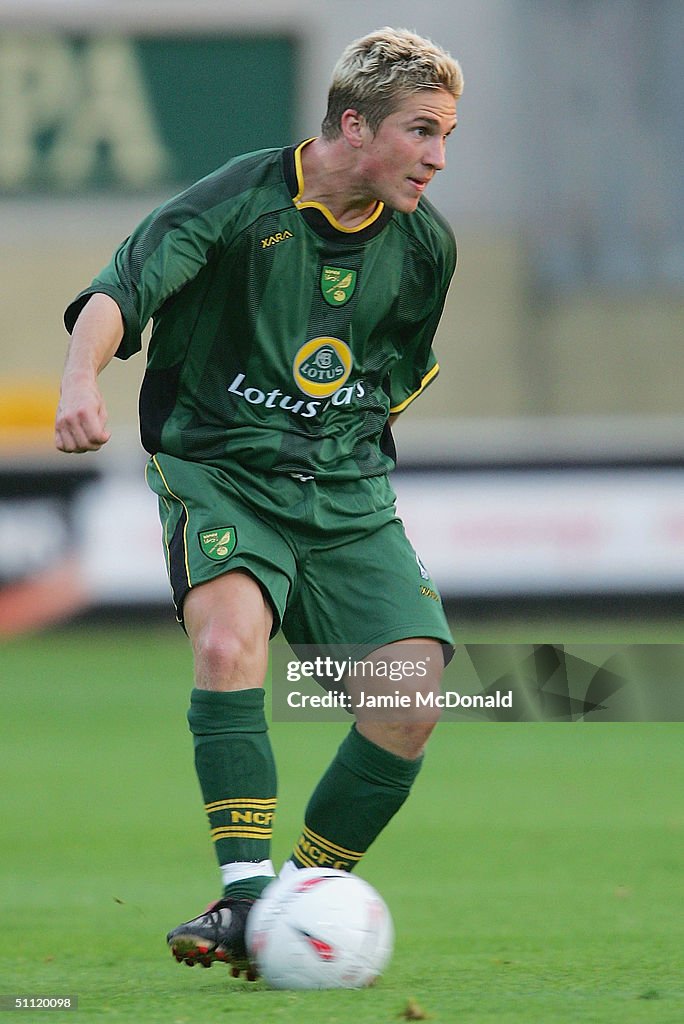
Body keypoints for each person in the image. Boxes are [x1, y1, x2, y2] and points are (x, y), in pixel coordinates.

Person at [55, 26, 464, 978]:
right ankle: (243, 896)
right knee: (228, 643)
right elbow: (121, 290)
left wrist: (340, 444)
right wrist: (82, 380)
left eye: (448, 136)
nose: (439, 158)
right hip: (222, 473)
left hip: (345, 488)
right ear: (354, 125)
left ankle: (292, 899)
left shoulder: (426, 248)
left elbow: (391, 370)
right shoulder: (241, 199)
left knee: (409, 703)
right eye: (423, 132)